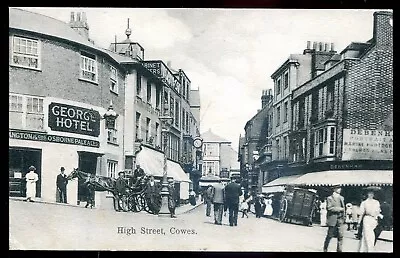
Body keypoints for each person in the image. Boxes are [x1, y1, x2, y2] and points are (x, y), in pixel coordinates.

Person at [357, 187, 383, 252]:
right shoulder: (364, 202)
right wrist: (359, 222)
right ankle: (370, 250)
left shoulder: (376, 202)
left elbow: (378, 211)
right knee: (368, 235)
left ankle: (363, 249)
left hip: (374, 220)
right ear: (367, 194)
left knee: (370, 236)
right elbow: (361, 213)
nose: (371, 195)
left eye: (372, 193)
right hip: (367, 219)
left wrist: (378, 216)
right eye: (370, 193)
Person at [323, 185, 345, 252]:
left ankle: (339, 250)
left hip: (340, 219)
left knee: (340, 236)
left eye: (340, 188)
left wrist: (344, 216)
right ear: (334, 189)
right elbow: (329, 208)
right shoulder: (329, 198)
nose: (340, 189)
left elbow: (344, 208)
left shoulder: (341, 198)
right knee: (330, 235)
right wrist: (339, 209)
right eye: (338, 188)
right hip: (332, 219)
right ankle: (325, 248)